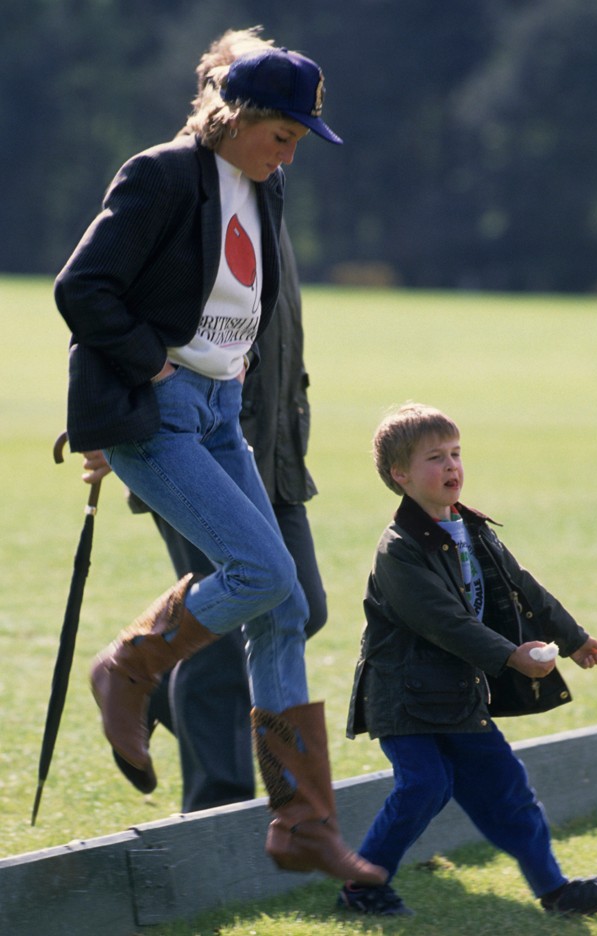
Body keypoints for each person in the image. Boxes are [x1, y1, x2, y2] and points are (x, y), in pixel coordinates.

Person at [54, 25, 385, 886]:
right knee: (266, 578)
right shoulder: (163, 174)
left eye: (299, 142)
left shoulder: (260, 186)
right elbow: (82, 289)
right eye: (281, 136)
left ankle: (302, 821)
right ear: (234, 115)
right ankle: (129, 668)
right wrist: (144, 366)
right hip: (158, 415)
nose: (289, 155)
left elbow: (243, 311)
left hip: (221, 413)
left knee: (283, 608)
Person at [337, 403, 597, 916]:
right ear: (399, 475)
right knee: (426, 785)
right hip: (403, 696)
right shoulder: (399, 550)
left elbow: (524, 588)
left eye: (455, 453)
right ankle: (362, 886)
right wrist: (510, 657)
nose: (451, 466)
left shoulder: (473, 529)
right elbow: (445, 622)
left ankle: (557, 892)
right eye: (435, 457)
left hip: (457, 694)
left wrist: (575, 638)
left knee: (507, 790)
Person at [86, 220, 328, 811]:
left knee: (302, 608)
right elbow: (105, 300)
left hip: (270, 451)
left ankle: (154, 685)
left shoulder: (265, 188)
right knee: (227, 638)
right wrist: (103, 414)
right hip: (193, 452)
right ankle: (218, 811)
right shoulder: (183, 187)